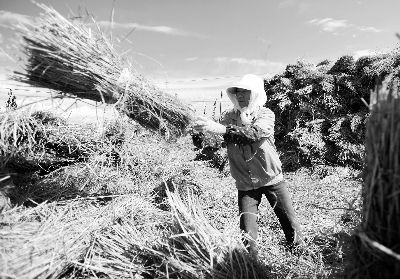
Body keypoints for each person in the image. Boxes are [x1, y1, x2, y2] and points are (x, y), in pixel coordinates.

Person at [193, 74, 303, 256]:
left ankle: (299, 254)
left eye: (246, 92)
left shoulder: (265, 114)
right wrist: (200, 132)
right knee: (247, 233)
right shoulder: (228, 116)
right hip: (245, 183)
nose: (241, 96)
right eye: (238, 92)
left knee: (290, 224)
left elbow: (253, 134)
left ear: (257, 94)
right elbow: (212, 141)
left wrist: (220, 129)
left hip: (271, 178)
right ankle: (251, 265)